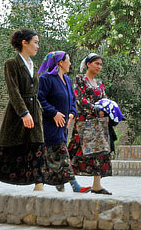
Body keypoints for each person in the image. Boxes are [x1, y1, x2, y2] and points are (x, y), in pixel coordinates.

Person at [0, 29, 45, 191]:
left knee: (36, 144)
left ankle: (39, 183)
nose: (38, 46)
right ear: (25, 42)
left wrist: (36, 111)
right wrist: (23, 113)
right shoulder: (12, 64)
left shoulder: (34, 66)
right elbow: (13, 90)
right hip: (17, 112)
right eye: (35, 42)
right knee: (8, 145)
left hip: (35, 111)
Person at [37, 51, 91, 193]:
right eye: (68, 60)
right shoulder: (46, 79)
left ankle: (59, 183)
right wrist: (54, 113)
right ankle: (75, 185)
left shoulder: (67, 80)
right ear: (60, 62)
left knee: (53, 154)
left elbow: (72, 100)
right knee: (62, 152)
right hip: (51, 124)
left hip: (64, 125)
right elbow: (40, 99)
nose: (70, 63)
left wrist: (72, 114)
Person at [68, 53, 117, 195]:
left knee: (100, 153)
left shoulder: (100, 83)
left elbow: (104, 99)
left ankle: (97, 185)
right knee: (77, 151)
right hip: (85, 122)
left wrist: (107, 110)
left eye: (101, 64)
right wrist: (96, 109)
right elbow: (80, 98)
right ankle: (69, 180)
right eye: (97, 63)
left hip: (100, 123)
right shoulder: (80, 79)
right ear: (88, 64)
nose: (99, 67)